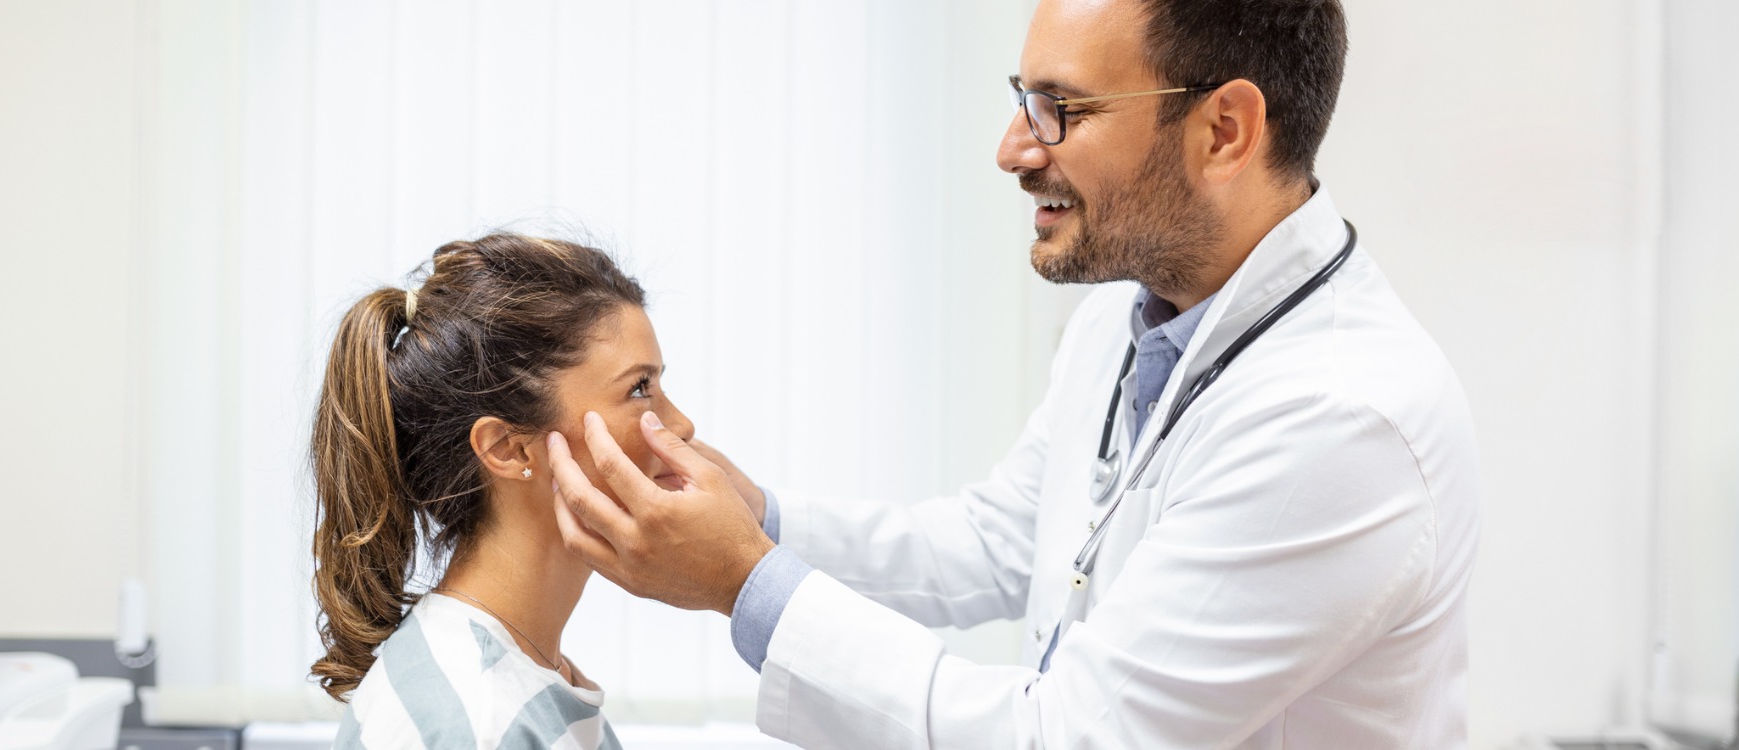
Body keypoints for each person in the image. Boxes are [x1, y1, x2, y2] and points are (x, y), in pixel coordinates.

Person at [546, 0, 1482, 748]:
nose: (1013, 148)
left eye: (1060, 109)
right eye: (1020, 96)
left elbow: (1066, 734)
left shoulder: (1340, 417)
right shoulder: (1125, 320)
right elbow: (998, 545)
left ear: (1225, 131)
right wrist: (758, 522)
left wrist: (746, 582)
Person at [308, 233, 698, 749]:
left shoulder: (532, 676)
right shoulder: (474, 719)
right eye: (638, 388)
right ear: (509, 449)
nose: (682, 426)